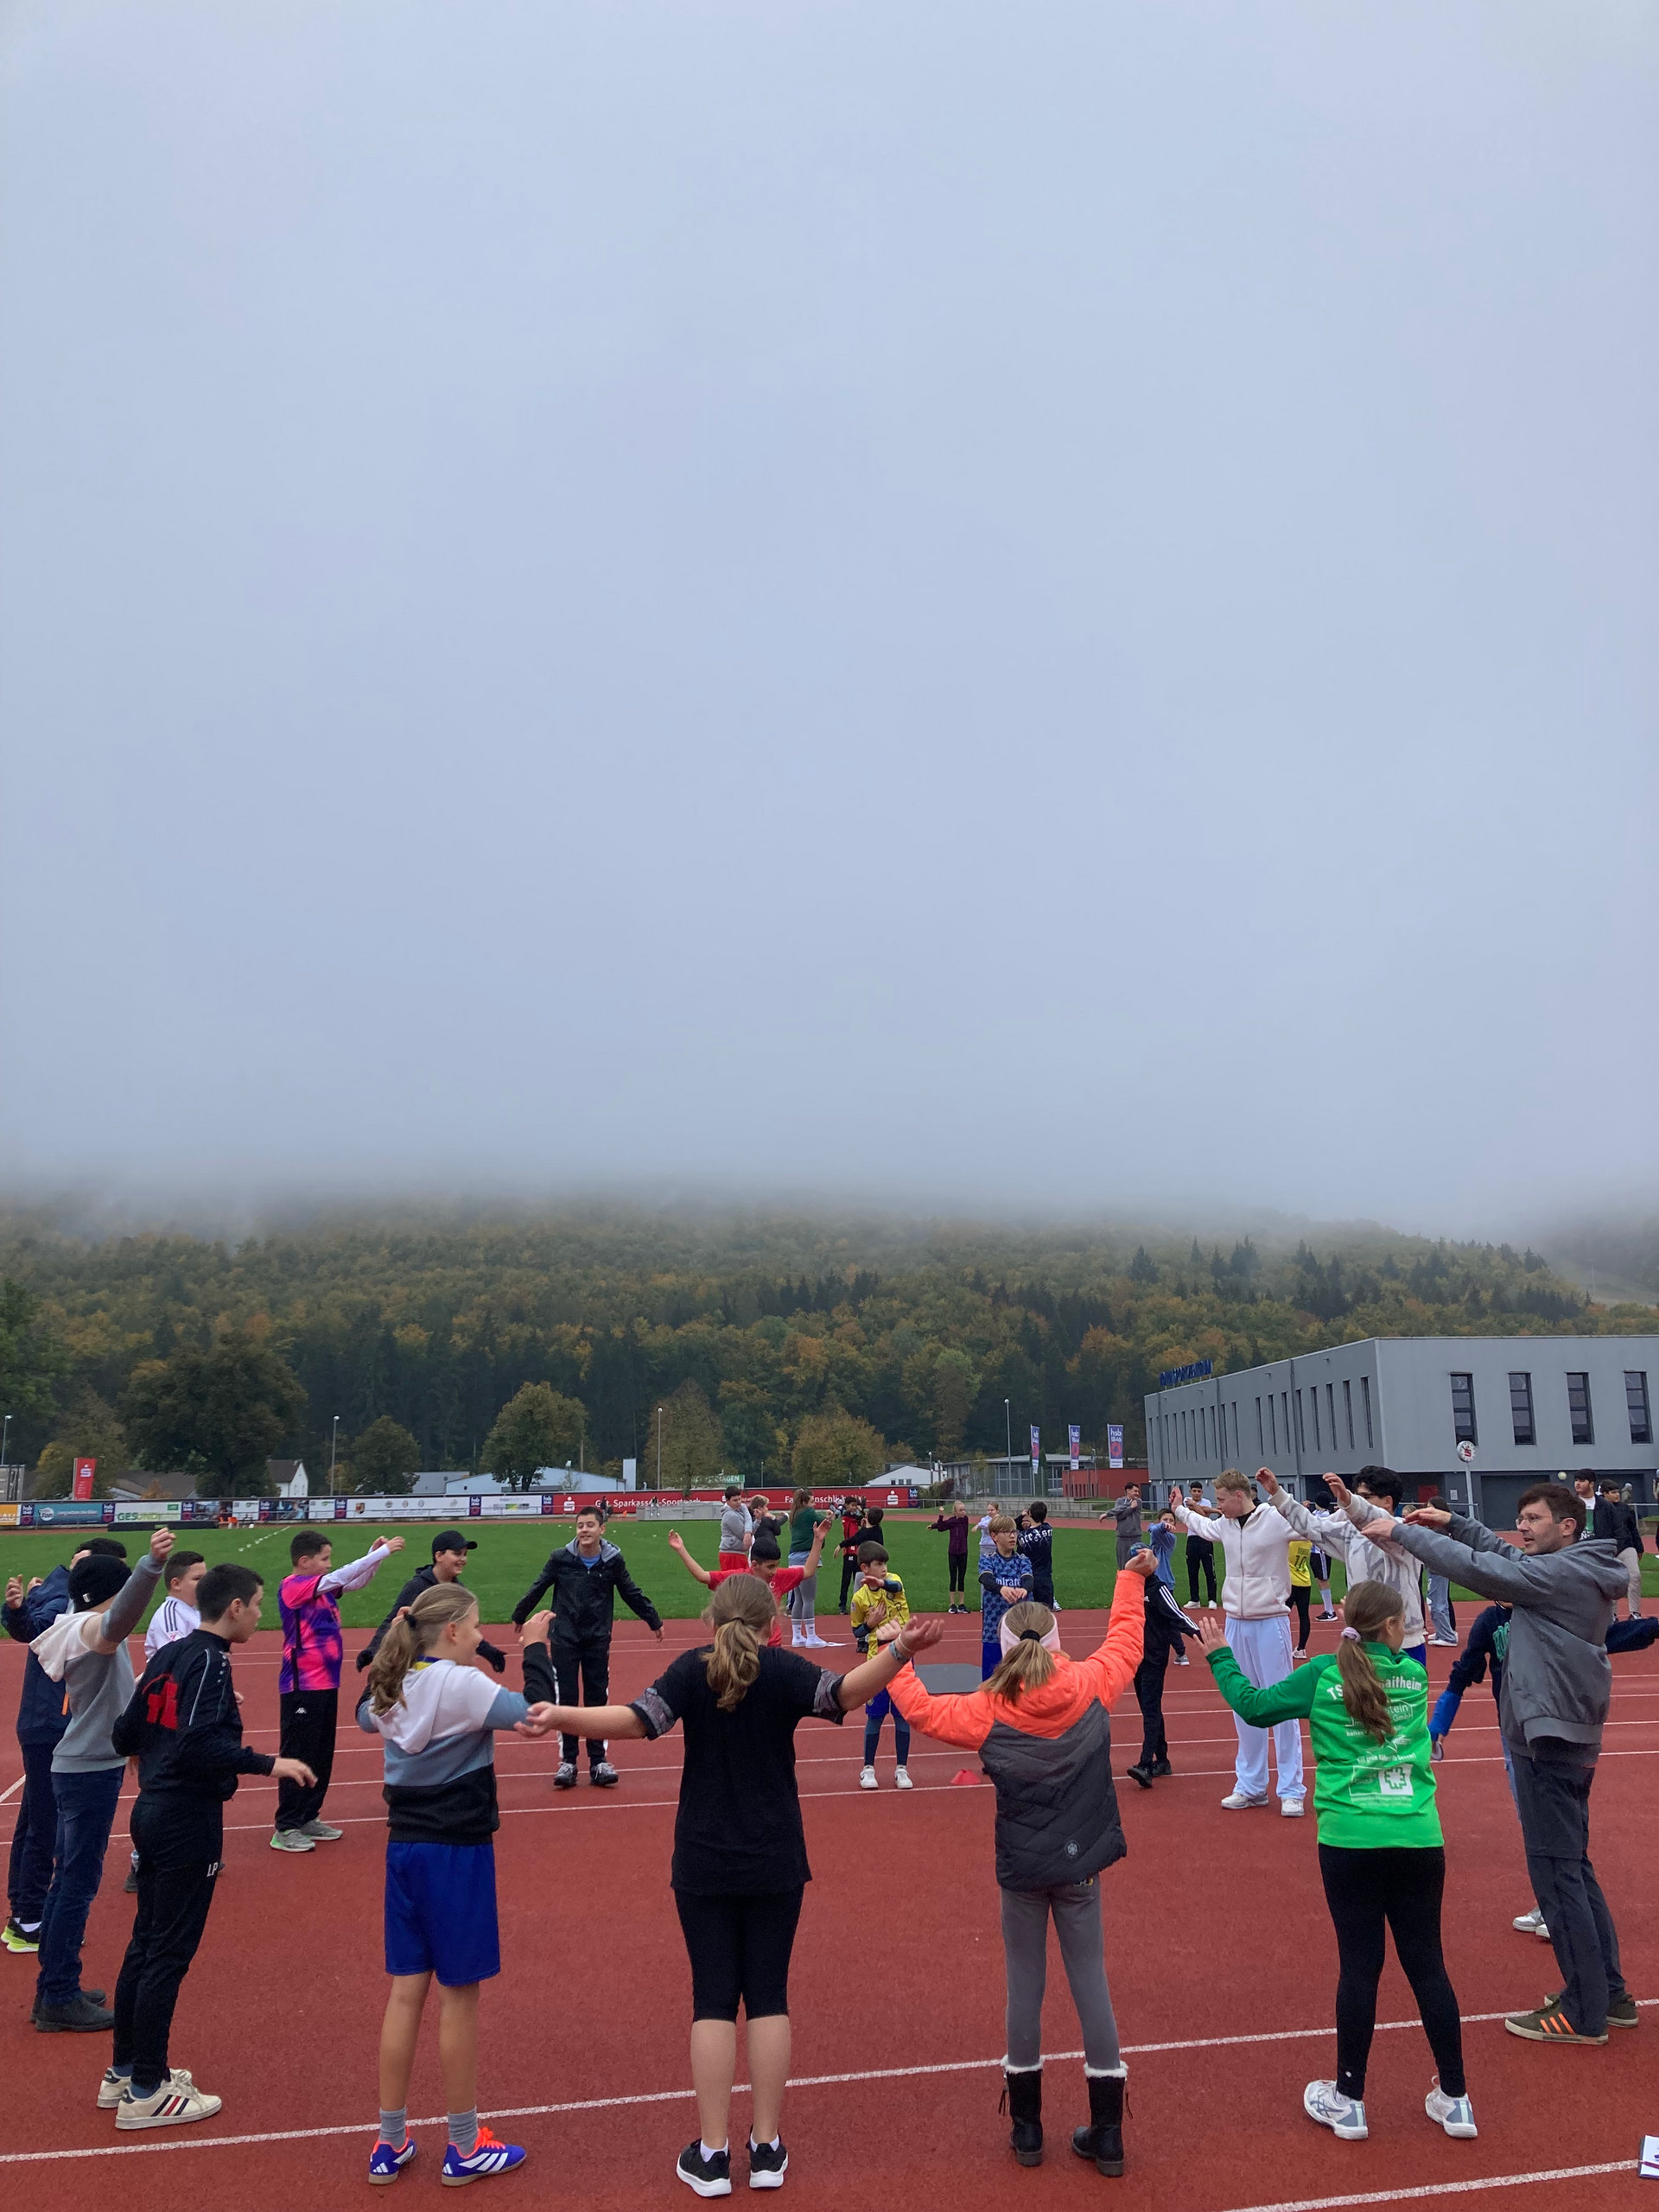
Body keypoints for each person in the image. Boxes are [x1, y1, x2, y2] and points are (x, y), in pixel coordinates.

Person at [519, 1572, 944, 2196]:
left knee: (713, 2000)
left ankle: (713, 2154)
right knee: (769, 1995)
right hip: (775, 1855)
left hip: (704, 1857)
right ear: (772, 1624)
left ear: (712, 1620)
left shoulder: (693, 1670)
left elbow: (635, 1721)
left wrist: (560, 1714)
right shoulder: (783, 1668)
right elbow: (845, 1694)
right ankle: (766, 2148)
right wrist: (900, 1649)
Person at [889, 1560, 1154, 2176]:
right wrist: (1129, 1579)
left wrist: (894, 1653)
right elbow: (1126, 1642)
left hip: (1023, 1866)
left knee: (1024, 1988)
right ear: (1056, 1640)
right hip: (1082, 1862)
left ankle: (1027, 2129)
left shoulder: (987, 1707)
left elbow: (921, 1711)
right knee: (1092, 1983)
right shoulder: (1091, 1682)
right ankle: (1108, 2134)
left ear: (1005, 1645)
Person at [1197, 1582, 1476, 2145]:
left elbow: (1254, 1706)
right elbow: (1383, 1676)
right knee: (1428, 1966)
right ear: (1391, 1627)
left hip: (1350, 1840)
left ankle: (1349, 2101)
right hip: (1418, 1836)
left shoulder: (1323, 1674)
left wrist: (1220, 1656)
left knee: (1360, 1967)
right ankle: (1456, 2099)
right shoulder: (1415, 1676)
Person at [1369, 1481, 1632, 2045]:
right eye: (1522, 1518)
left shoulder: (1560, 1575)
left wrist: (1405, 1534)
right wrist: (1455, 1523)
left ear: (1568, 1526)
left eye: (1534, 1519)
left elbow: (1482, 1570)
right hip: (1561, 1734)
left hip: (1547, 1741)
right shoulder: (1572, 1567)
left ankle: (1584, 2012)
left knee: (1557, 1876)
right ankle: (1607, 1993)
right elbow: (1504, 1556)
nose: (1524, 1528)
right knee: (1573, 1869)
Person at [358, 1583, 558, 2186]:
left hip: (404, 1849)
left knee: (405, 1993)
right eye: (474, 1627)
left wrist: (392, 1641)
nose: (479, 1636)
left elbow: (365, 1713)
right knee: (459, 1998)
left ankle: (389, 2140)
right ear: (450, 1632)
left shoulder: (394, 1684)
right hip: (456, 1852)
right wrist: (536, 1648)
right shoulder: (462, 1684)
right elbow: (537, 1715)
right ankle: (465, 2145)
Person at [105, 1563, 316, 2128]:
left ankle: (125, 2071)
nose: (261, 1615)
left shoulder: (170, 1655)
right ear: (235, 1608)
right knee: (167, 1954)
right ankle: (148, 2090)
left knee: (145, 1945)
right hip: (186, 1818)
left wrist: (159, 1750)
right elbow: (199, 1745)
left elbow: (125, 1733)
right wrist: (269, 1763)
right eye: (258, 1604)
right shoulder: (211, 1661)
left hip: (151, 1810)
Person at [1430, 1598, 1657, 1955]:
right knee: (1534, 1823)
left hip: (1548, 1730)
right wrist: (1439, 1724)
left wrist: (1651, 1627)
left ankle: (1561, 1908)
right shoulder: (1489, 1622)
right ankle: (1553, 1900)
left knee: (1551, 1823)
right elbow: (1463, 1673)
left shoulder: (1545, 1611)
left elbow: (1603, 1636)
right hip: (1513, 1734)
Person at [29, 1527, 171, 2031]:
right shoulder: (96, 1632)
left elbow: (116, 1694)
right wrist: (150, 1568)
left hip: (81, 1764)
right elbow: (121, 1617)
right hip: (89, 1770)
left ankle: (54, 1986)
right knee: (76, 1885)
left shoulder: (76, 1627)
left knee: (68, 1881)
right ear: (113, 1590)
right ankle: (58, 1996)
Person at [3, 1539, 128, 1957]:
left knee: (34, 1822)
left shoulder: (66, 1598)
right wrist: (18, 1611)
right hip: (50, 1725)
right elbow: (33, 1628)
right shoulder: (61, 1598)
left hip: (50, 1723)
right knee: (45, 1826)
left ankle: (24, 1914)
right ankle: (28, 1920)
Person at [1173, 1470, 1306, 1815]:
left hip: (1271, 1621)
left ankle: (1291, 1789)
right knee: (1243, 1704)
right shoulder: (1226, 1525)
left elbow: (1308, 1525)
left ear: (1239, 1495)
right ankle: (1251, 1786)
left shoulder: (1274, 1520)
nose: (1216, 1506)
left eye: (1221, 1500)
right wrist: (1180, 1510)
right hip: (1236, 1623)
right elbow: (1203, 1526)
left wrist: (1281, 1496)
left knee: (1282, 1704)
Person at [507, 1503, 664, 1789]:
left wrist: (652, 1618)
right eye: (580, 1526)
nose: (584, 1530)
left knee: (596, 1700)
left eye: (590, 1525)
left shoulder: (613, 1561)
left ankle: (598, 1761)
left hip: (597, 1639)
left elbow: (630, 1591)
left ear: (602, 1529)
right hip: (565, 1638)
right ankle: (568, 1762)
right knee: (566, 1699)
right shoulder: (561, 1558)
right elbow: (539, 1586)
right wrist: (520, 1614)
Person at [272, 1528, 404, 1853]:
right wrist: (381, 1553)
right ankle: (286, 1825)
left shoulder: (320, 1588)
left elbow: (354, 1581)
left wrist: (373, 1558)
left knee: (321, 1753)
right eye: (324, 1559)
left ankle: (308, 1815)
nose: (329, 1565)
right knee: (298, 1752)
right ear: (304, 1561)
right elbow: (340, 1576)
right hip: (302, 1684)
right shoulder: (294, 1587)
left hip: (326, 1682)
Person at [1260, 1465, 1427, 1669]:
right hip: (1362, 1642)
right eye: (1358, 1496)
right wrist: (1278, 1495)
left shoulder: (1406, 1532)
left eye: (1366, 1497)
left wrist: (1349, 1501)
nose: (1359, 1502)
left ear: (1388, 1501)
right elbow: (1312, 1527)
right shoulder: (1351, 1532)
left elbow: (1376, 1520)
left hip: (1405, 1643)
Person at [359, 1532, 508, 1676]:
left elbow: (464, 1629)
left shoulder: (458, 1590)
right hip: (411, 1664)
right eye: (457, 1554)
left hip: (441, 1664)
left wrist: (489, 1652)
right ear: (439, 1556)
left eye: (465, 1554)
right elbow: (392, 1621)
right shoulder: (417, 1587)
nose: (463, 1559)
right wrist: (371, 1651)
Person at [669, 1524, 832, 1643]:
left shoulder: (780, 1577)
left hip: (773, 1646)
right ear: (754, 1565)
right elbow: (702, 1576)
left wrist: (818, 1540)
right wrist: (680, 1549)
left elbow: (808, 1571)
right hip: (746, 1646)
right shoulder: (738, 1579)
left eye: (776, 1565)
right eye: (770, 1567)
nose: (774, 1571)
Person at [1125, 1557, 1201, 1788]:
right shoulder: (1132, 1587)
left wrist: (1201, 1636)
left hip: (1154, 1658)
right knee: (1149, 1709)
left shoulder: (1158, 1589)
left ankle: (1145, 1764)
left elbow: (1178, 1616)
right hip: (1137, 1657)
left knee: (1150, 1710)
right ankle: (1163, 1761)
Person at [849, 1544, 912, 1789]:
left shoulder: (894, 1581)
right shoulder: (859, 1598)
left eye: (885, 1564)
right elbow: (856, 1631)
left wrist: (882, 1582)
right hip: (877, 1663)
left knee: (902, 1717)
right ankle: (868, 1768)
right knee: (875, 1717)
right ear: (865, 1568)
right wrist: (870, 1624)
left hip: (904, 1661)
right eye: (878, 1565)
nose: (884, 1568)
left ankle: (902, 1768)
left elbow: (895, 1587)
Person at [978, 1516, 1034, 1680]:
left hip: (1020, 1632)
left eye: (1014, 1532)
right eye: (1007, 1532)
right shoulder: (988, 1559)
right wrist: (1001, 1589)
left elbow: (1029, 1580)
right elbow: (986, 1579)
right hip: (994, 1631)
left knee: (1022, 1680)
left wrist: (1024, 1589)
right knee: (992, 1680)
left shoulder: (1022, 1560)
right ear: (994, 1536)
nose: (1012, 1536)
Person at [784, 1488, 836, 1649]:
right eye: (812, 1502)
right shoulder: (809, 1513)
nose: (814, 1505)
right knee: (809, 1598)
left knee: (798, 1598)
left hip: (793, 1558)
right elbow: (824, 1523)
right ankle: (811, 1637)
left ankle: (797, 1636)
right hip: (807, 1557)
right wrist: (831, 1515)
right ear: (805, 1502)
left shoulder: (794, 1514)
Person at [1592, 1478, 1644, 1621]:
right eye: (1613, 1492)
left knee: (1635, 1576)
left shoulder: (1624, 1508)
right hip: (1607, 1550)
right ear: (1604, 1494)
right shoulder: (1597, 1509)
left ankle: (1635, 1613)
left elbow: (1633, 1529)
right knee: (1611, 1582)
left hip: (1626, 1547)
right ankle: (1613, 1615)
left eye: (1617, 1492)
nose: (1617, 1495)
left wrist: (1639, 1548)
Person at [143, 1551, 207, 1662]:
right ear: (176, 1584)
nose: (205, 1583)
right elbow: (176, 1658)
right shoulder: (169, 1615)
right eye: (197, 1579)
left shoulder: (194, 1611)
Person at [930, 1497, 972, 1613]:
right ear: (955, 1512)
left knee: (961, 1578)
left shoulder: (964, 1520)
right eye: (960, 1510)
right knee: (953, 1577)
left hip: (963, 1552)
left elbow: (945, 1524)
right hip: (953, 1552)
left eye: (964, 1510)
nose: (963, 1512)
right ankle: (952, 1604)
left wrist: (935, 1525)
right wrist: (940, 1517)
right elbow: (942, 1527)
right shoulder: (952, 1521)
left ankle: (962, 1604)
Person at [1183, 1484, 1217, 1608]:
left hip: (1205, 1538)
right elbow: (1202, 1513)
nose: (1196, 1493)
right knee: (1192, 1571)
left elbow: (1204, 1517)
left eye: (1199, 1491)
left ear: (1202, 1492)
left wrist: (1195, 1506)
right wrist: (1206, 1509)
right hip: (1192, 1539)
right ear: (1190, 1491)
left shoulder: (1207, 1502)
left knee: (1209, 1570)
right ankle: (1194, 1599)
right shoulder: (1186, 1500)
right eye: (1194, 1491)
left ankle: (1212, 1599)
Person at [1016, 1503, 1055, 1610]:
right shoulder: (1048, 1529)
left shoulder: (1023, 1536)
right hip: (1046, 1578)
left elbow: (1020, 1552)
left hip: (1029, 1577)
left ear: (1029, 1514)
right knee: (1046, 1611)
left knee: (1029, 1612)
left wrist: (1021, 1519)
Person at [1099, 1484, 1142, 1568]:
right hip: (1122, 1537)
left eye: (1138, 1491)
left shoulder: (1138, 1501)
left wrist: (1108, 1514)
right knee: (1122, 1563)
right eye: (1135, 1491)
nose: (1137, 1493)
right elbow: (1119, 1517)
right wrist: (1130, 1507)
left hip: (1135, 1537)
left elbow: (1120, 1512)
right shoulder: (1120, 1501)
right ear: (1128, 1490)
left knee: (1135, 1564)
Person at [835, 1497, 867, 1613]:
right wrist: (861, 1511)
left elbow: (866, 1520)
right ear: (846, 1505)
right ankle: (842, 1605)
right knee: (846, 1580)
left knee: (858, 1579)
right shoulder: (847, 1516)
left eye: (855, 1505)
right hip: (848, 1552)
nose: (854, 1507)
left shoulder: (854, 1518)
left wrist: (861, 1510)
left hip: (857, 1552)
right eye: (852, 1505)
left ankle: (858, 1604)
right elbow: (863, 1519)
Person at [1287, 1537, 1313, 1660]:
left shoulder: (1291, 1542)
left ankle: (1283, 1645)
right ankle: (1301, 1648)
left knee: (1282, 1616)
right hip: (1305, 1580)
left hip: (1290, 1581)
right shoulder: (1308, 1542)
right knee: (1304, 1616)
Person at [717, 1488, 753, 1573]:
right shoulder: (730, 1515)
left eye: (740, 1499)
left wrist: (748, 1531)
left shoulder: (742, 1507)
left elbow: (748, 1518)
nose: (739, 1502)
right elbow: (743, 1535)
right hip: (731, 1554)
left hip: (738, 1553)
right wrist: (753, 1526)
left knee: (744, 1579)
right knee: (735, 1580)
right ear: (727, 1501)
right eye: (735, 1500)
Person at [1312, 1542, 1338, 1623]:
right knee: (1319, 1579)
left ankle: (1330, 1612)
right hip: (1314, 1550)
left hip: (1321, 1551)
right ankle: (1328, 1610)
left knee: (1323, 1579)